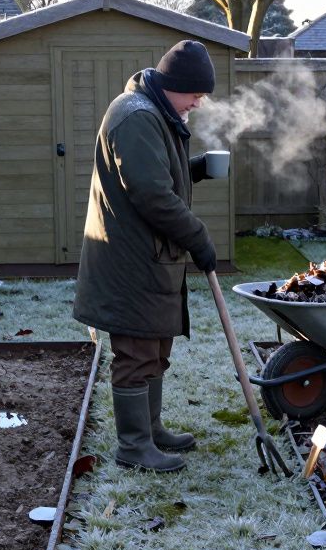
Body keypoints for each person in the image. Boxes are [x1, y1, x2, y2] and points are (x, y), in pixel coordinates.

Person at [72, 40, 220, 473]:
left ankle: (150, 429)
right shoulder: (136, 116)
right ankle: (134, 446)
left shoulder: (154, 111)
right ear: (174, 85)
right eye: (195, 93)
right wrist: (198, 237)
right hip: (129, 261)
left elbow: (152, 173)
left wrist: (194, 168)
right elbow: (151, 194)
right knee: (136, 351)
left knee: (155, 346)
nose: (199, 101)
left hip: (151, 257)